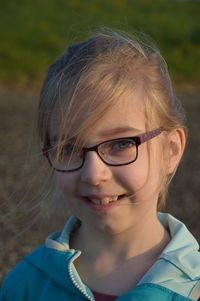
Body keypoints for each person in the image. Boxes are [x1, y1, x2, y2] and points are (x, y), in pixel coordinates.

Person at [1, 28, 200, 301]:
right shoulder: (25, 287)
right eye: (69, 148)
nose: (94, 174)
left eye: (121, 144)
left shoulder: (193, 289)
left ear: (171, 150)